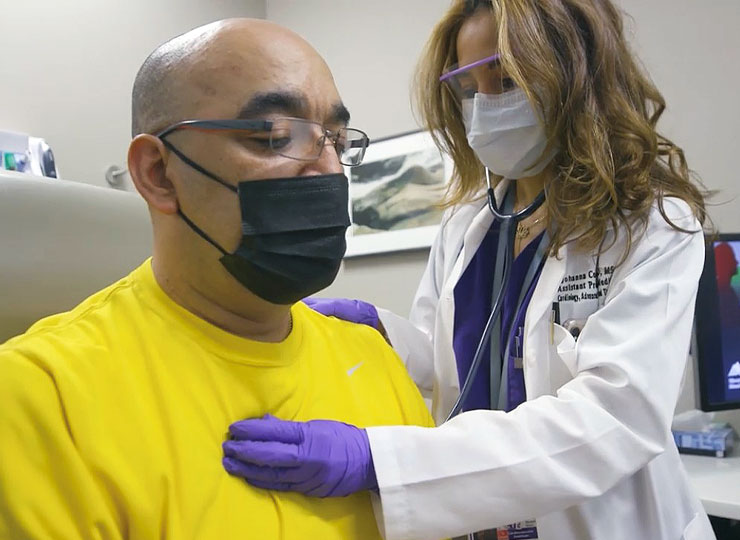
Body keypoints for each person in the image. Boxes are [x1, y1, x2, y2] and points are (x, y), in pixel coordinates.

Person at [220, 2, 715, 539]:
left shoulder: (652, 225)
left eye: (504, 79)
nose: (485, 106)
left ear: (573, 77)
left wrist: (377, 461)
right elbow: (450, 359)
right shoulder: (467, 224)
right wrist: (384, 333)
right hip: (484, 522)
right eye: (467, 86)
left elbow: (616, 418)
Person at [0, 18, 434, 540]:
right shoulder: (39, 397)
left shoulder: (373, 360)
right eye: (277, 137)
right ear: (159, 173)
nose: (330, 171)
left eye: (337, 141)